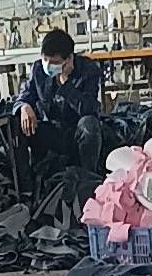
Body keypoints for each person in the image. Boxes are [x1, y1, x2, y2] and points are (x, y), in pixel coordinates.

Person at [14, 29, 103, 177]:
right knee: (18, 124)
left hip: (76, 131)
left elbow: (89, 110)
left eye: (54, 62)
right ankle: (28, 184)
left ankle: (88, 179)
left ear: (69, 59)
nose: (48, 65)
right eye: (45, 60)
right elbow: (25, 95)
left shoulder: (88, 70)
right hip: (51, 130)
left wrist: (66, 85)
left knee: (89, 124)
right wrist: (24, 106)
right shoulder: (38, 69)